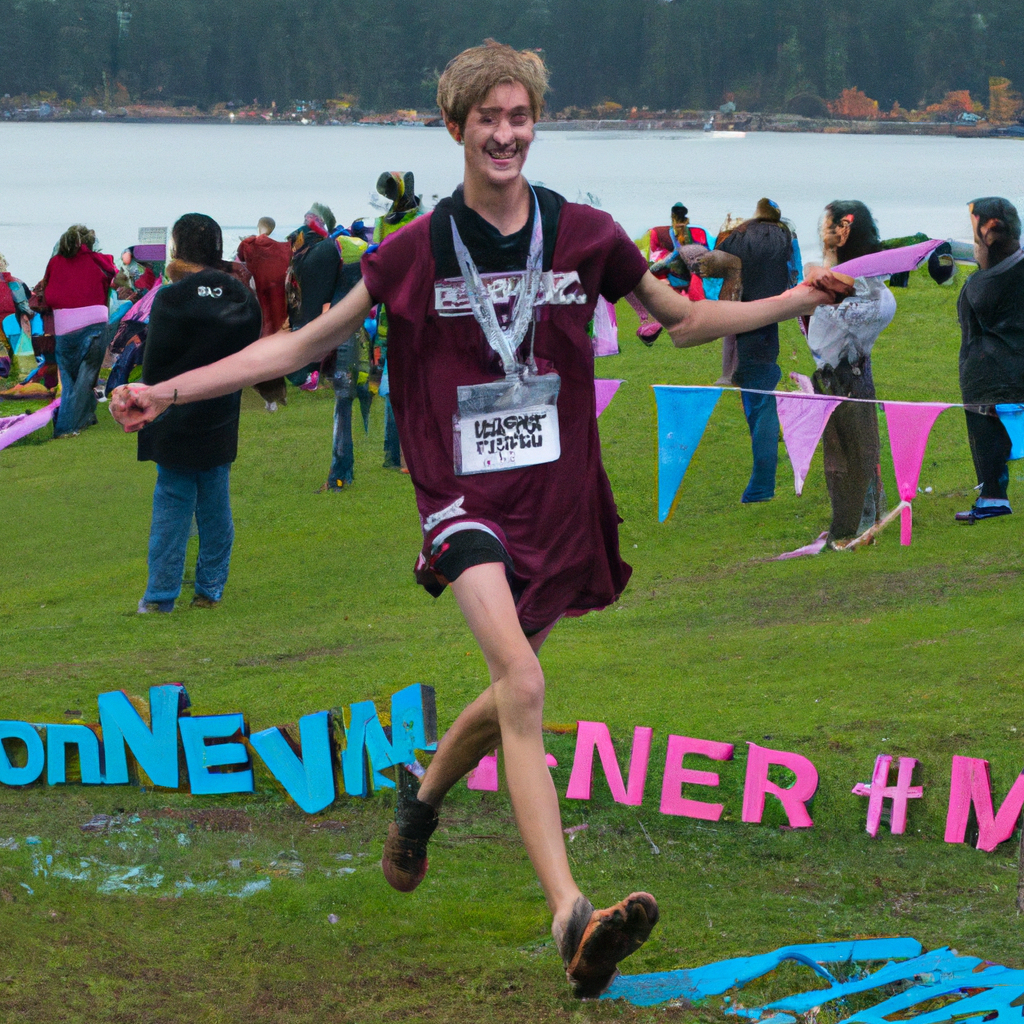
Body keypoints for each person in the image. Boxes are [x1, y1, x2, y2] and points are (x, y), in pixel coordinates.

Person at [110, 41, 842, 995]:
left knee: (509, 695)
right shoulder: (411, 252)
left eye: (520, 116)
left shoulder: (585, 234)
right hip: (460, 498)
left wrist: (796, 295)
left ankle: (417, 804)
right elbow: (292, 348)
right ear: (455, 128)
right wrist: (165, 390)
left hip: (559, 496)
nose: (506, 133)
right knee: (527, 684)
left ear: (535, 123)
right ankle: (572, 918)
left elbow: (685, 319)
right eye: (487, 118)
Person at [133, 213, 261, 613]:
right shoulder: (241, 296)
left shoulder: (171, 298)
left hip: (174, 414)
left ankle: (160, 595)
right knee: (215, 505)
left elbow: (155, 365)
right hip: (221, 413)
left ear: (178, 248)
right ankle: (210, 588)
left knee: (172, 505)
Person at [804, 201, 896, 543]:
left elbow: (832, 310)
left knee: (848, 455)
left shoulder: (860, 289)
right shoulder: (866, 282)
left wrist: (825, 265)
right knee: (858, 450)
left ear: (842, 230)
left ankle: (852, 527)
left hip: (844, 378)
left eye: (826, 225)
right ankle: (866, 515)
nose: (820, 231)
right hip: (850, 374)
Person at [715, 198, 795, 502]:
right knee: (758, 398)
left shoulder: (740, 236)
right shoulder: (782, 237)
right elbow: (791, 275)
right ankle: (761, 483)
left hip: (742, 317)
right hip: (768, 319)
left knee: (760, 404)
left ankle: (762, 486)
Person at [955, 197, 1024, 524]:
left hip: (991, 375)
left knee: (988, 434)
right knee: (994, 437)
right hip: (999, 371)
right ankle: (992, 494)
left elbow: (969, 310)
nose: (974, 244)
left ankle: (994, 495)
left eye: (976, 235)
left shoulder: (985, 283)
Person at [42, 225, 116, 437]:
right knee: (87, 375)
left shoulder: (55, 262)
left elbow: (48, 293)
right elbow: (117, 278)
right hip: (95, 321)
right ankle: (68, 427)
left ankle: (85, 417)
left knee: (69, 378)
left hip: (64, 325)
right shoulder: (99, 259)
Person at [373, 171, 424, 468]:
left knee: (398, 384)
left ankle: (397, 454)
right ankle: (400, 454)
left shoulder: (399, 222)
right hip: (398, 313)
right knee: (399, 386)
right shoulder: (414, 221)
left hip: (400, 312)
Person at [237, 217, 291, 411]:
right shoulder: (285, 249)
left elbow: (242, 264)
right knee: (277, 355)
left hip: (259, 309)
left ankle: (270, 397)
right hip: (279, 311)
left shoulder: (248, 246)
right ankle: (277, 394)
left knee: (262, 356)